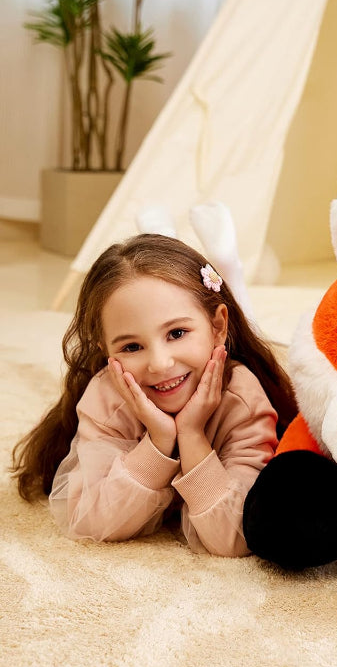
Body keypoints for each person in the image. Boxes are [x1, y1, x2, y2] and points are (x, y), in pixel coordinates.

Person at [11, 206, 295, 557]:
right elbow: (89, 521)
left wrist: (191, 435)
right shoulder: (109, 395)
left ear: (218, 326)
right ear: (106, 352)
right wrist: (159, 442)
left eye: (177, 333)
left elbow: (235, 537)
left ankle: (228, 265)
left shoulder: (242, 397)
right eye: (132, 347)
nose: (160, 364)